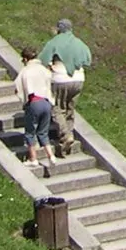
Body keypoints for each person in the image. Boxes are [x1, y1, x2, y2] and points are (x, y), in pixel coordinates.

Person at [38, 18, 91, 152]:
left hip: (61, 78)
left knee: (57, 108)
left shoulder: (54, 42)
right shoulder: (79, 42)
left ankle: (65, 135)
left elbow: (43, 59)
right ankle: (70, 133)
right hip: (79, 79)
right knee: (70, 108)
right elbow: (88, 60)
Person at [15, 50, 56, 176]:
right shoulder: (43, 69)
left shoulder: (26, 71)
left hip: (34, 102)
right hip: (46, 102)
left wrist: (23, 100)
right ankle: (51, 155)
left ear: (26, 59)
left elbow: (19, 87)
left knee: (30, 132)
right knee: (43, 132)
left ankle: (33, 158)